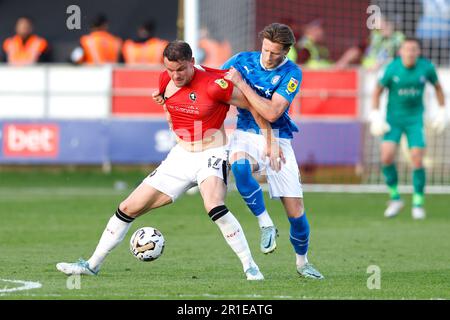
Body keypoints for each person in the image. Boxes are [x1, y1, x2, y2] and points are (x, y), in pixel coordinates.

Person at [56, 40, 282, 280]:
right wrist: (165, 106)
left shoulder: (216, 84)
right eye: (170, 69)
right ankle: (92, 265)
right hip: (180, 156)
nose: (175, 75)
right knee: (127, 208)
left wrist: (270, 141)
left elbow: (254, 107)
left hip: (211, 154)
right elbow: (173, 114)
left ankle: (250, 267)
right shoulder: (165, 80)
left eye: (181, 69)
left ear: (192, 62)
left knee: (214, 205)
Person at [222, 23, 324, 279]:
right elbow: (210, 81)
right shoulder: (241, 60)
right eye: (266, 50)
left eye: (275, 53)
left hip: (279, 139)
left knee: (296, 213)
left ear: (287, 51)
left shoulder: (292, 73)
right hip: (245, 132)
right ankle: (265, 223)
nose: (268, 57)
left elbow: (272, 112)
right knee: (240, 167)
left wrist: (242, 86)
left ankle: (303, 263)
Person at [370, 37, 448, 219]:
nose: (410, 53)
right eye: (407, 49)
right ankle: (395, 198)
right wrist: (375, 115)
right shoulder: (392, 68)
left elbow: (438, 88)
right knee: (386, 157)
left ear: (418, 52)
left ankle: (418, 202)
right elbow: (377, 91)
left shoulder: (426, 67)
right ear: (401, 52)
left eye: (414, 49)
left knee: (417, 159)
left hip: (415, 120)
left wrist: (442, 111)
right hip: (394, 119)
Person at [335, 16, 405, 70]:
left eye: (387, 25)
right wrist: (343, 62)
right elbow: (357, 50)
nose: (384, 28)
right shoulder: (373, 37)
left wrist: (380, 64)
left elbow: (402, 56)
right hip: (368, 70)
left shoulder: (398, 38)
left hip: (387, 71)